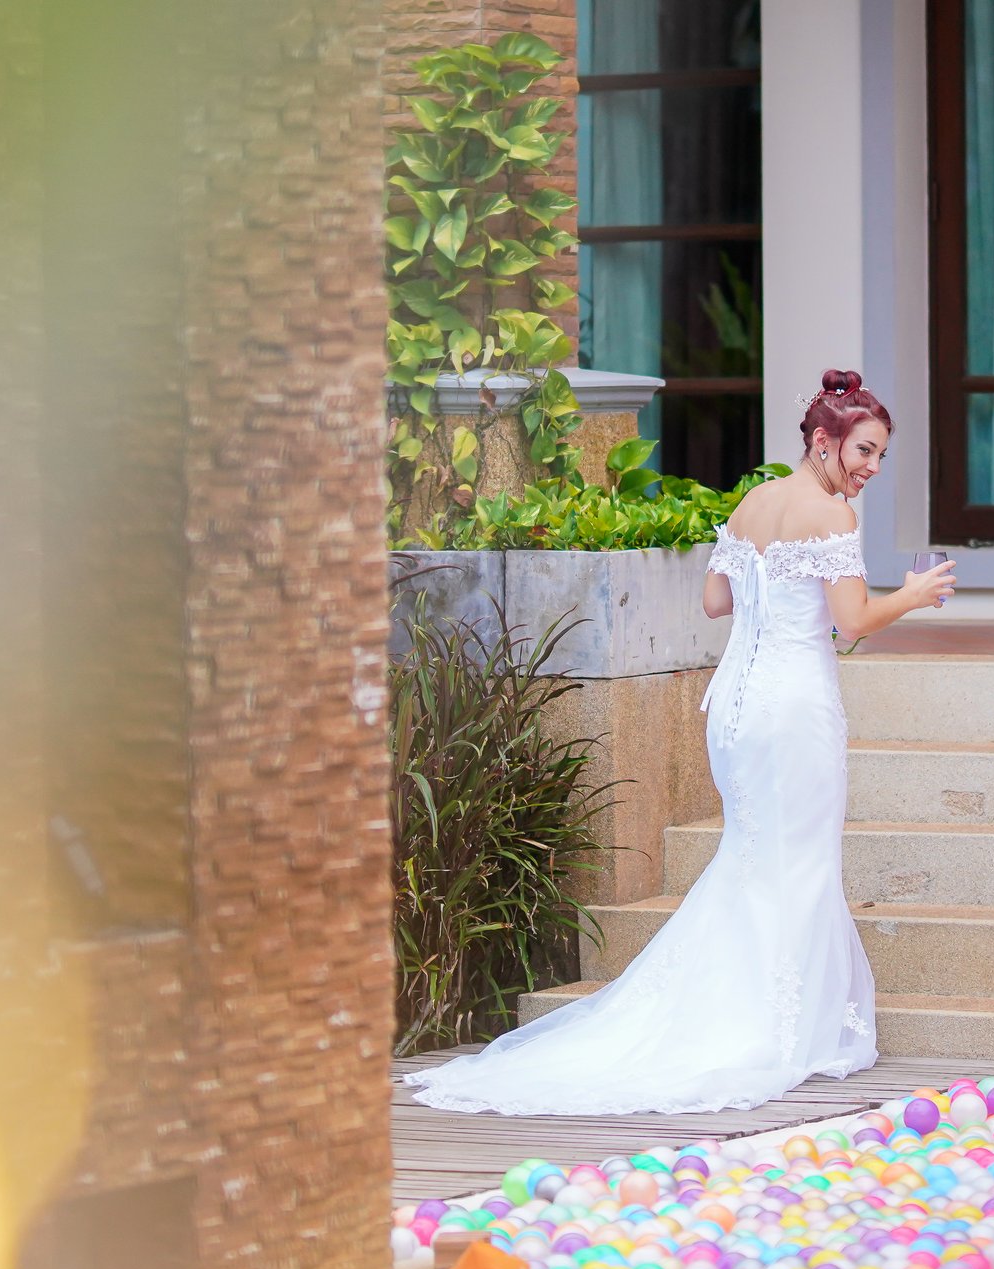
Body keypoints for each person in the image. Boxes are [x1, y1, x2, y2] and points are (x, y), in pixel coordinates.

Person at [404, 369, 958, 1116]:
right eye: (864, 451)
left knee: (753, 855)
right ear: (823, 442)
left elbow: (714, 599)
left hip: (733, 705)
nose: (871, 469)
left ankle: (737, 1010)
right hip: (793, 705)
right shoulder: (830, 517)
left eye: (880, 456)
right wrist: (915, 596)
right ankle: (775, 1027)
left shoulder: (755, 501)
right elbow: (851, 621)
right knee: (795, 863)